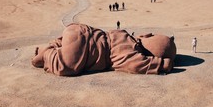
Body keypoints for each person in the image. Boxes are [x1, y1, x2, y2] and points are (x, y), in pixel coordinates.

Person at [32, 23, 176, 76]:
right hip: (82, 52)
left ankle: (54, 45)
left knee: (65, 44)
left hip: (80, 29)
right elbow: (137, 65)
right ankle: (45, 56)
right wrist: (163, 64)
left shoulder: (123, 33)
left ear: (147, 35)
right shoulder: (130, 54)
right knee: (66, 67)